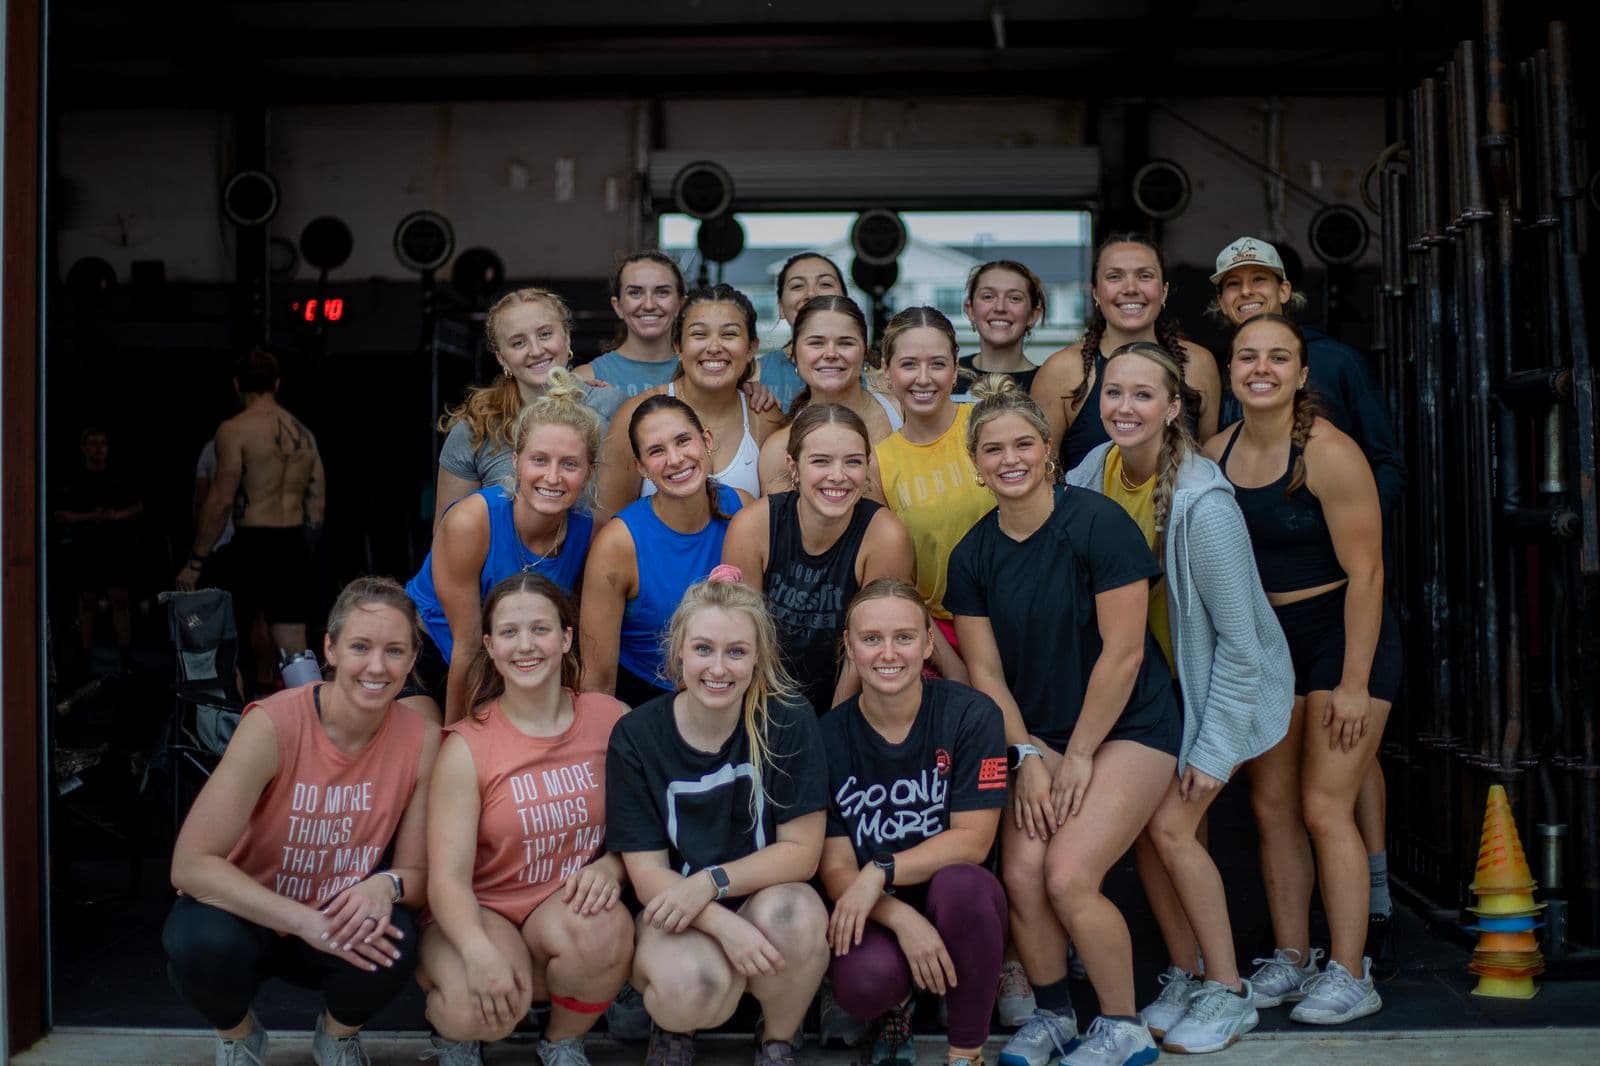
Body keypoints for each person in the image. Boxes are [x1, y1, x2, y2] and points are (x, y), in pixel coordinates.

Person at [1064, 341, 1294, 1053]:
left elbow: (1243, 645)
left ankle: (1228, 990)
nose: (1123, 408)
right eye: (1113, 394)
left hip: (1217, 690)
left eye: (1141, 395)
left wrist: (1217, 748)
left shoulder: (1204, 501)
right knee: (1144, 832)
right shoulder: (1089, 473)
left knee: (1171, 827)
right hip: (1149, 691)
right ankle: (1188, 971)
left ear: (1172, 409)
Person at [945, 375, 1180, 1066]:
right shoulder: (972, 555)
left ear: (1048, 450)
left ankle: (1123, 1024)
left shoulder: (1097, 523)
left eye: (1023, 443)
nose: (1009, 458)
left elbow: (1125, 651)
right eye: (993, 449)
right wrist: (1026, 757)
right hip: (1037, 738)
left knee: (1069, 876)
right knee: (1021, 875)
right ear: (976, 464)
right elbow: (985, 675)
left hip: (1129, 726)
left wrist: (1075, 756)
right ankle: (1053, 1016)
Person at [1207, 236, 1406, 976]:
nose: (1262, 369)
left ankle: (1350, 973)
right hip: (1268, 642)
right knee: (1273, 809)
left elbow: (1368, 575)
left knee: (1326, 806)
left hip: (1341, 633)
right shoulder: (1214, 452)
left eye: (1278, 358)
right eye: (1249, 358)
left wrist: (1354, 682)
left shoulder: (1328, 452)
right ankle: (1290, 957)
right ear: (1230, 371)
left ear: (1302, 372)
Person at [163, 577, 438, 1066]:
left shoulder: (421, 738)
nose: (377, 666)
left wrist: (387, 886)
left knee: (396, 933)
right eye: (360, 646)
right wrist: (302, 921)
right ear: (328, 649)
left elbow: (416, 876)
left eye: (395, 650)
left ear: (413, 658)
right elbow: (189, 865)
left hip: (337, 920)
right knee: (196, 942)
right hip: (250, 914)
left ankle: (337, 1036)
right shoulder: (273, 723)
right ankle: (239, 1037)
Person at [604, 573, 831, 1066]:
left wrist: (712, 882)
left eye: (736, 652)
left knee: (800, 915)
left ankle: (777, 1040)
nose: (719, 668)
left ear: (758, 659)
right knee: (700, 985)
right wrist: (723, 926)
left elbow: (803, 852)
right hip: (672, 910)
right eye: (703, 649)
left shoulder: (786, 720)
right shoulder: (637, 735)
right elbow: (647, 876)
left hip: (756, 898)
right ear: (678, 654)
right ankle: (673, 1030)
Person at [418, 573, 632, 1066]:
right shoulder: (466, 744)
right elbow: (447, 882)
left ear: (566, 637)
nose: (526, 645)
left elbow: (643, 828)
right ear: (490, 646)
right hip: (478, 912)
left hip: (560, 911)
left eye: (540, 629)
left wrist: (612, 865)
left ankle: (561, 1042)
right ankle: (454, 1032)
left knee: (606, 931)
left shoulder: (610, 718)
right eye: (510, 633)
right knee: (480, 1009)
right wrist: (477, 952)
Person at [820, 579, 1009, 1066]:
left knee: (965, 889)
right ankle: (897, 1002)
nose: (888, 653)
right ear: (849, 646)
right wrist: (899, 915)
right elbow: (837, 867)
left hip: (951, 896)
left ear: (929, 643)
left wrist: (880, 868)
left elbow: (974, 841)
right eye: (871, 638)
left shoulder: (970, 715)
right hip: (877, 908)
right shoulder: (826, 737)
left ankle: (966, 1052)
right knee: (863, 984)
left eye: (904, 637)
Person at [408, 369, 600, 725]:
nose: (553, 477)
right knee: (427, 748)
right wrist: (455, 738)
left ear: (589, 472)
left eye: (569, 464)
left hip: (509, 659)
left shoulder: (585, 532)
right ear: (516, 461)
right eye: (539, 460)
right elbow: (466, 649)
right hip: (430, 652)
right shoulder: (472, 521)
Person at [722, 404, 914, 717]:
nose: (837, 476)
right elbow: (742, 636)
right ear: (793, 466)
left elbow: (870, 646)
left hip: (851, 704)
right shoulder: (753, 526)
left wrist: (832, 729)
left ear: (867, 466)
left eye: (852, 462)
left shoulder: (883, 535)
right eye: (820, 461)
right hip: (762, 700)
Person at [580, 396, 749, 706]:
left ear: (706, 440)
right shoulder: (618, 545)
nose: (675, 459)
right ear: (641, 467)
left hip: (733, 691)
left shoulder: (742, 509)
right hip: (648, 701)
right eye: (656, 451)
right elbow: (597, 682)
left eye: (683, 440)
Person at [177, 349, 326, 684]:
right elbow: (317, 505)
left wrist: (196, 561)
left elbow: (220, 501)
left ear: (236, 385)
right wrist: (304, 553)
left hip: (253, 542)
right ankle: (307, 726)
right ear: (276, 383)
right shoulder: (304, 434)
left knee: (233, 640)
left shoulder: (234, 430)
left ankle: (234, 728)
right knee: (293, 644)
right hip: (293, 542)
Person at [1031, 234, 1222, 471]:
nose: (1130, 288)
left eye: (1144, 276)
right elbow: (1042, 473)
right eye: (1114, 277)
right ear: (1095, 293)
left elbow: (1207, 466)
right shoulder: (1061, 370)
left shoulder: (1199, 364)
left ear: (1163, 292)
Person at [875, 306, 993, 684]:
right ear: (886, 371)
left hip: (1015, 620)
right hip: (938, 635)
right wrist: (948, 662)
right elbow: (898, 583)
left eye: (937, 364)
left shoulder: (987, 425)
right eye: (909, 364)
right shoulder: (879, 462)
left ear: (955, 368)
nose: (923, 379)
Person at [597, 284, 783, 517]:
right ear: (678, 346)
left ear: (751, 348)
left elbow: (777, 528)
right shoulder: (636, 416)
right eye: (699, 334)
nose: (714, 347)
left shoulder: (765, 415)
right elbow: (607, 522)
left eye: (729, 334)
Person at [434, 288, 611, 526]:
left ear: (567, 337)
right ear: (501, 358)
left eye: (545, 334)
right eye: (518, 343)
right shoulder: (475, 428)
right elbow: (447, 536)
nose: (536, 350)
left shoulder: (613, 407)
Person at [756, 295, 903, 492]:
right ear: (794, 355)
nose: (831, 353)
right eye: (816, 343)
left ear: (864, 352)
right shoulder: (779, 449)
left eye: (845, 343)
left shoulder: (903, 413)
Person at [54, 426, 144, 676]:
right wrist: (89, 517)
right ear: (83, 448)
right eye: (93, 443)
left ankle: (125, 656)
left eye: (102, 443)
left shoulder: (118, 477)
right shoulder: (73, 479)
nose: (98, 448)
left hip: (114, 546)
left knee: (120, 598)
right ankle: (85, 657)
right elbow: (59, 514)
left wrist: (116, 516)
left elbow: (137, 507)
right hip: (86, 546)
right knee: (87, 600)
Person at [586, 252, 690, 404]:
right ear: (618, 306)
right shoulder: (586, 378)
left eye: (662, 292)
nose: (649, 305)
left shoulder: (701, 373)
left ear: (680, 304)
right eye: (635, 293)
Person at [755, 252, 848, 409]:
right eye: (797, 286)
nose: (811, 294)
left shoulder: (878, 378)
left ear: (846, 302)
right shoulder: (753, 376)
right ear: (781, 308)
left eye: (825, 284)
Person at [958, 261, 1046, 394]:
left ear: (1033, 315)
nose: (1000, 308)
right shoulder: (946, 376)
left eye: (1015, 298)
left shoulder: (1047, 383)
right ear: (970, 310)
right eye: (988, 297)